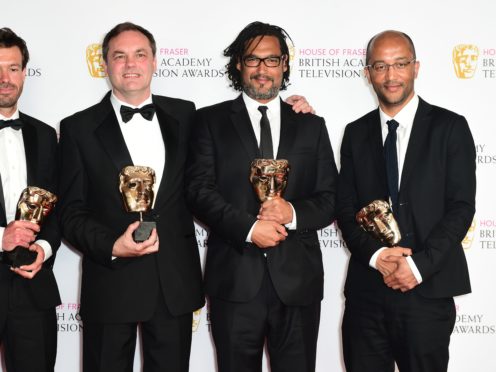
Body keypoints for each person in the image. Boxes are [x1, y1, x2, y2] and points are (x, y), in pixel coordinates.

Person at [57, 21, 312, 372]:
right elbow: (70, 213)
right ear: (105, 64)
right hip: (111, 286)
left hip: (173, 286)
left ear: (155, 61)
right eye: (119, 56)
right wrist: (112, 245)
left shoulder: (187, 115)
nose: (130, 64)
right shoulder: (76, 128)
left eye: (140, 54)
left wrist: (292, 109)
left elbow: (240, 132)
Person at [186, 21, 338, 372]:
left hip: (298, 283)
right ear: (238, 63)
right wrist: (249, 229)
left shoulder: (312, 125)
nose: (261, 69)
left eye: (271, 60)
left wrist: (292, 213)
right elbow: (198, 191)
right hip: (235, 281)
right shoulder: (209, 121)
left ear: (285, 64)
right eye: (252, 59)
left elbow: (330, 197)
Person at [337, 30, 476, 372]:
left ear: (416, 67)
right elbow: (344, 207)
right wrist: (376, 256)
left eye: (399, 64)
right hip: (367, 296)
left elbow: (461, 207)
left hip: (427, 291)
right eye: (380, 66)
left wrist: (418, 266)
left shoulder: (451, 127)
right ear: (367, 73)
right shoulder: (355, 133)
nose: (391, 75)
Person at [0, 27, 61, 372]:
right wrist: (1, 237)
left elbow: (62, 206)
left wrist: (45, 249)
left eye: (12, 68)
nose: (4, 78)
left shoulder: (45, 135)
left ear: (24, 73)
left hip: (32, 285)